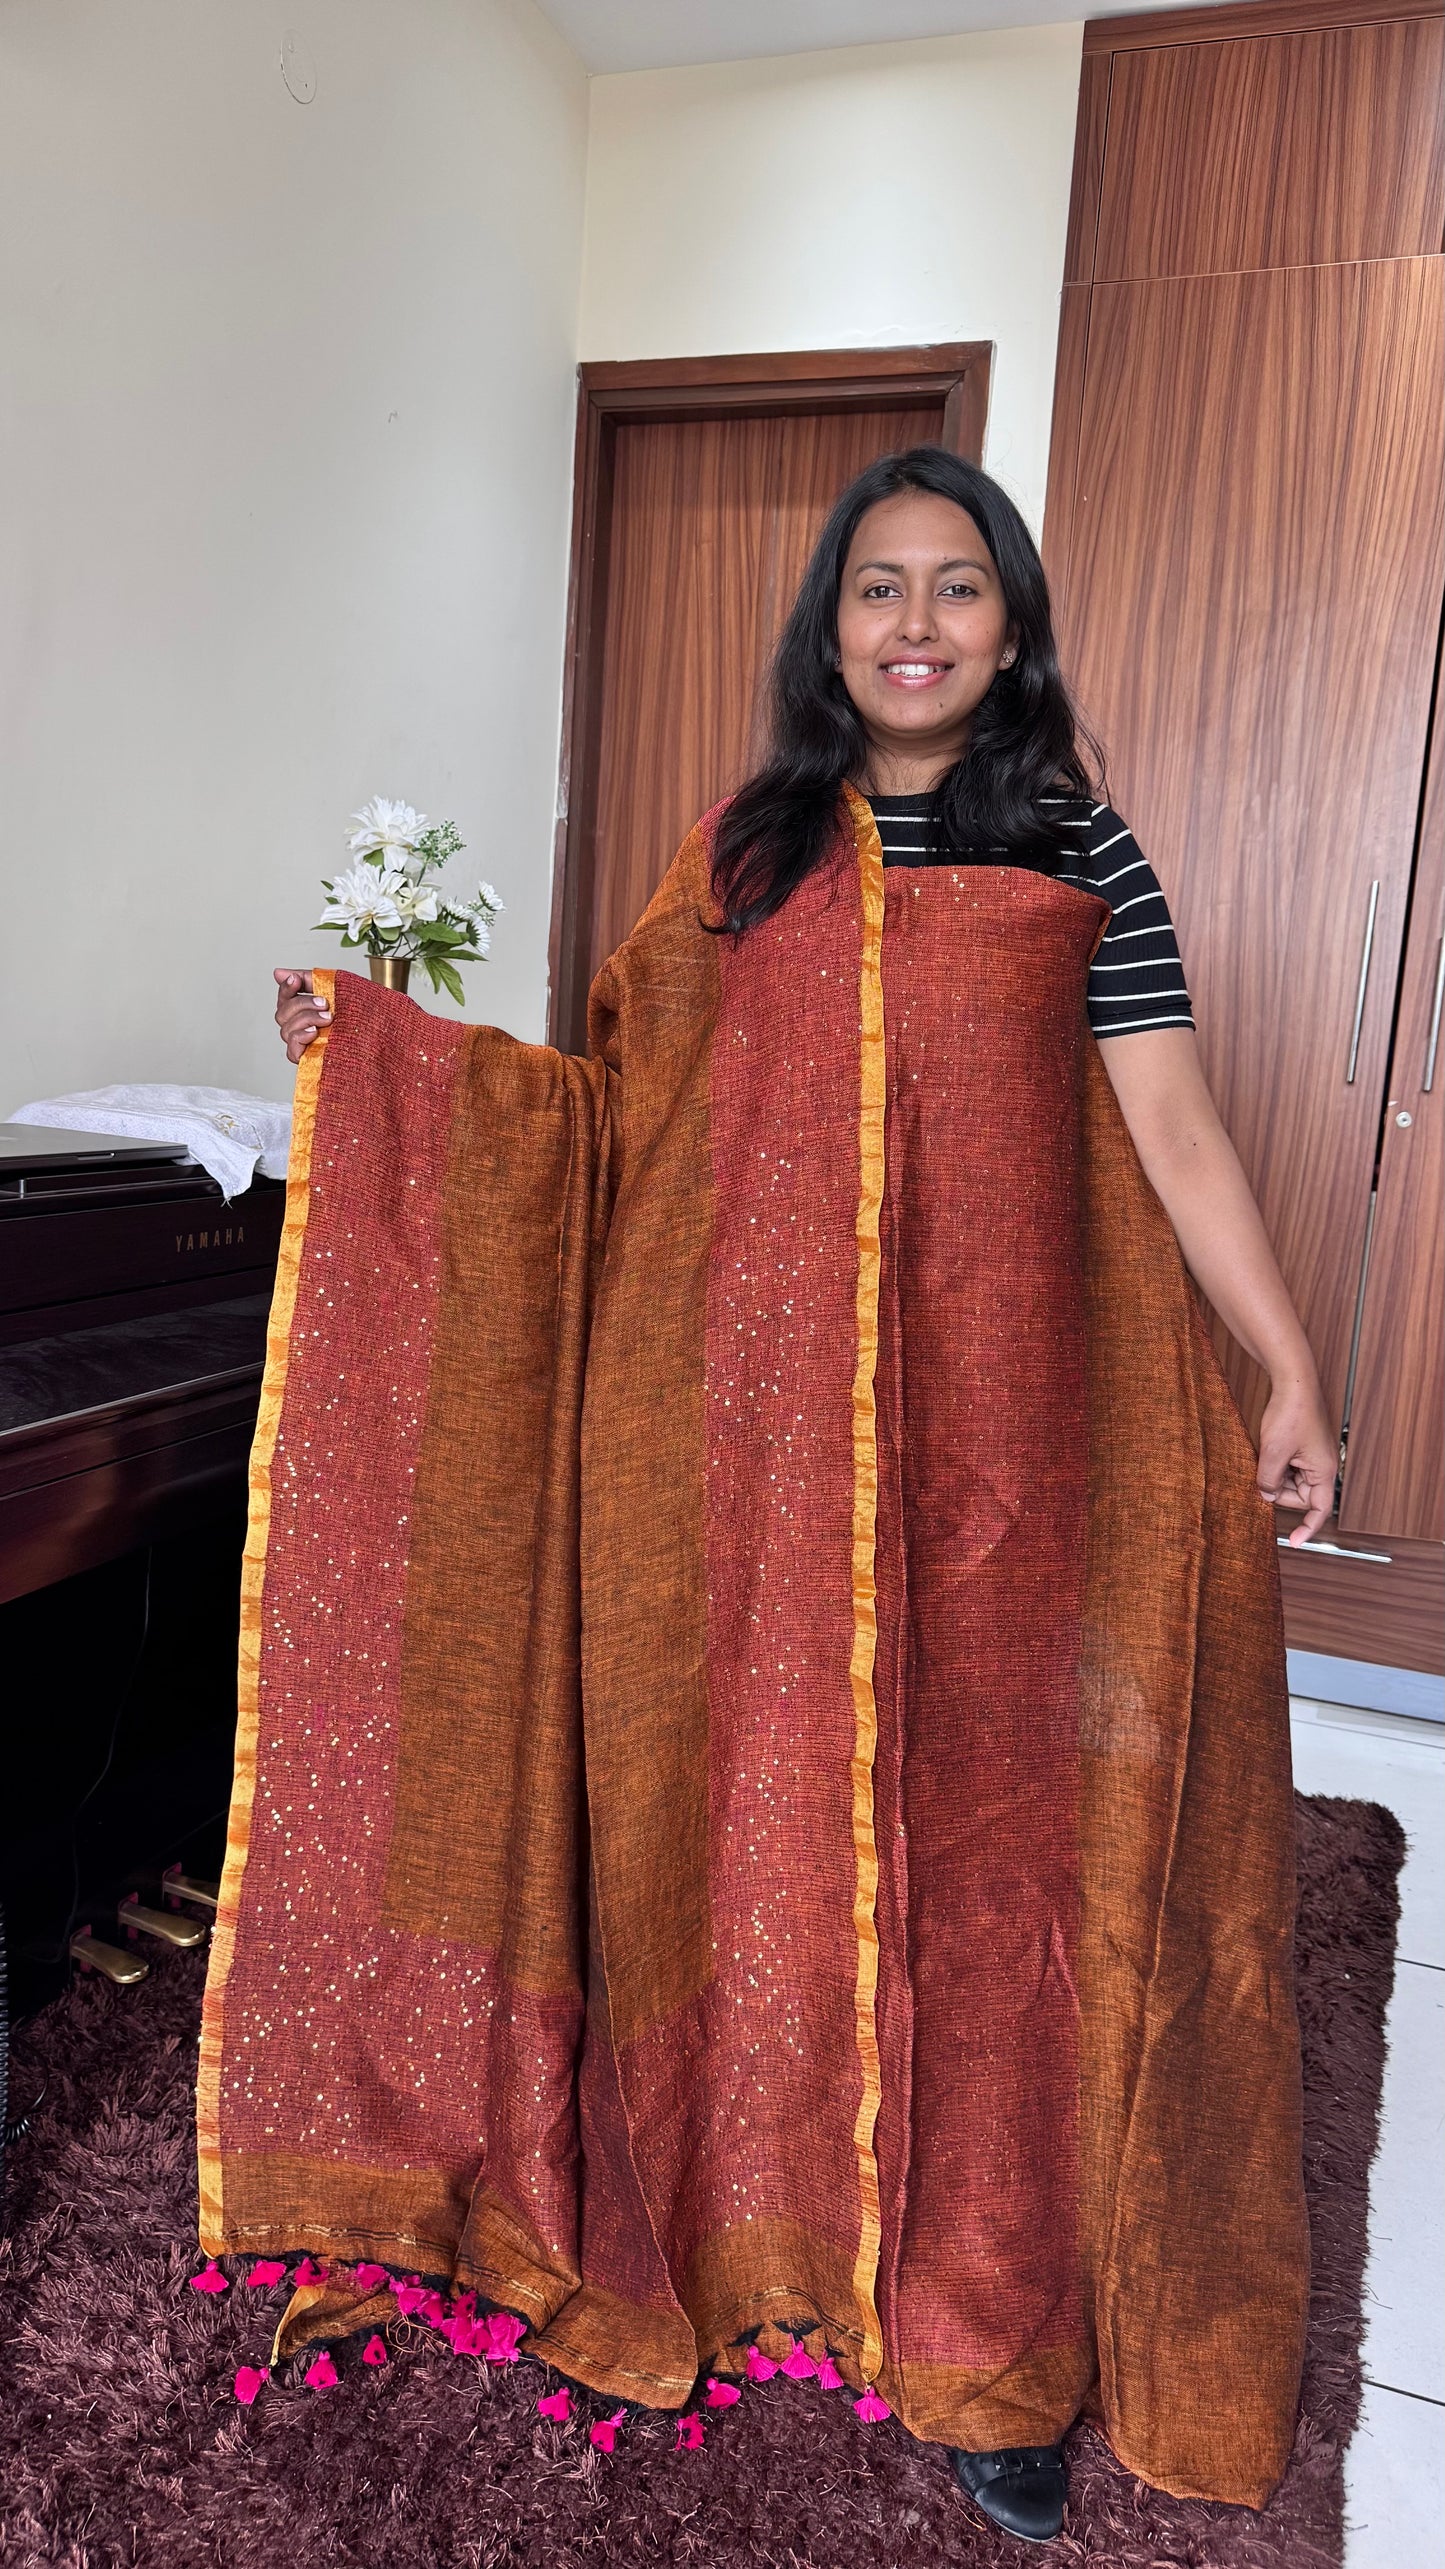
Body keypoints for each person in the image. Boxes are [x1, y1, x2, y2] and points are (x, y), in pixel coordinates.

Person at [208, 448, 1328, 2547]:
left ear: (1012, 628)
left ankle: (989, 2336)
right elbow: (622, 1122)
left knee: (999, 1878)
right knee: (745, 1829)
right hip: (739, 1463)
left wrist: (1291, 1361)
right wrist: (387, 1056)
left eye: (960, 590)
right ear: (830, 629)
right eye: (878, 589)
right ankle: (747, 2235)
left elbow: (1170, 1127)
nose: (917, 622)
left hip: (1014, 1460)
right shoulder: (736, 858)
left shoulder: (1081, 847)